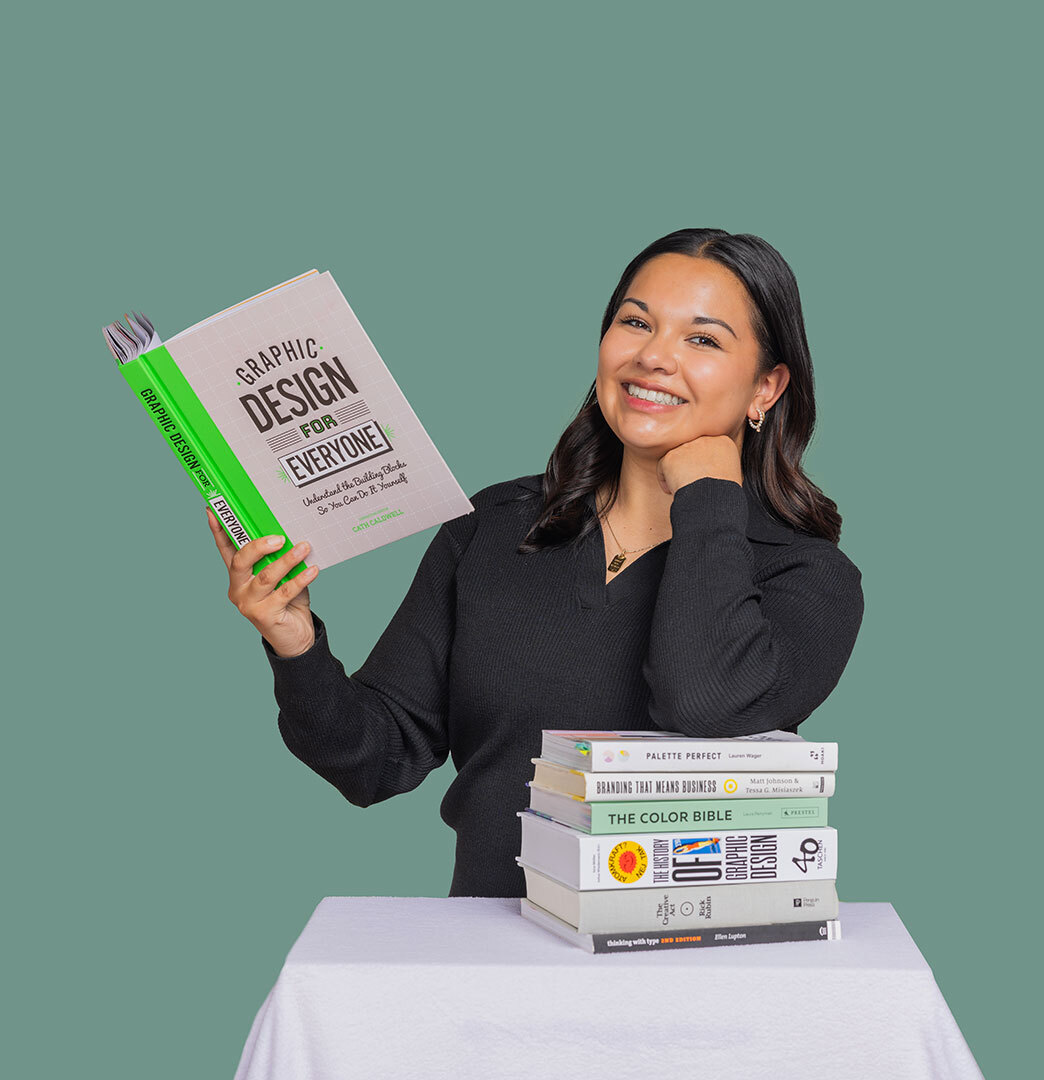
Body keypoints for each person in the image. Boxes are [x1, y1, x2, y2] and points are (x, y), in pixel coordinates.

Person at [207, 227, 864, 898]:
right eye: (635, 323)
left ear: (766, 387)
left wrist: (709, 496)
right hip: (491, 967)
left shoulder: (806, 578)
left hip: (687, 972)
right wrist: (294, 643)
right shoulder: (494, 530)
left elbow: (703, 703)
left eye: (703, 339)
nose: (654, 358)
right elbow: (374, 761)